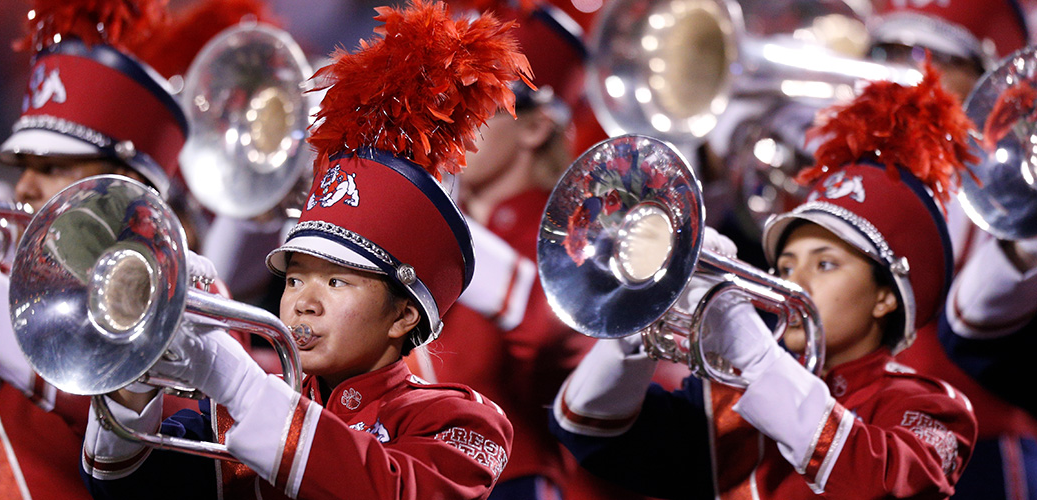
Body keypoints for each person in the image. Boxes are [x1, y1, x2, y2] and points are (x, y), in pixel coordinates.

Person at [80, 1, 530, 498]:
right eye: (294, 278)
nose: (302, 301)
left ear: (404, 315)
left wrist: (237, 383)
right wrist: (135, 380)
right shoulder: (250, 402)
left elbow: (394, 489)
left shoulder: (459, 422)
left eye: (336, 281)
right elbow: (129, 488)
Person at [548, 60, 979, 498]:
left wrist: (750, 348)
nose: (796, 282)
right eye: (787, 266)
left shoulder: (932, 408)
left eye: (825, 264)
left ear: (885, 297)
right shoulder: (728, 402)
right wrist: (641, 319)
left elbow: (881, 485)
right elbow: (586, 430)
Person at [0, 1, 253, 498]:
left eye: (51, 167)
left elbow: (156, 455)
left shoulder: (191, 293)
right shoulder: (0, 273)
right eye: (21, 164)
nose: (22, 185)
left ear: (125, 181)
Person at [401, 5, 603, 499]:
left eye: (476, 104)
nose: (451, 121)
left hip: (510, 483)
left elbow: (558, 341)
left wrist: (413, 212)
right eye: (447, 102)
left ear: (533, 129)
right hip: (406, 471)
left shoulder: (575, 231)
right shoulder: (452, 214)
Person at [866, 3, 1037, 498]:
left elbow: (977, 316)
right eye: (885, 51)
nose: (895, 74)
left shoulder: (1007, 185)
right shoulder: (852, 166)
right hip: (862, 442)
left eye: (921, 54)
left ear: (983, 80)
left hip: (981, 450)